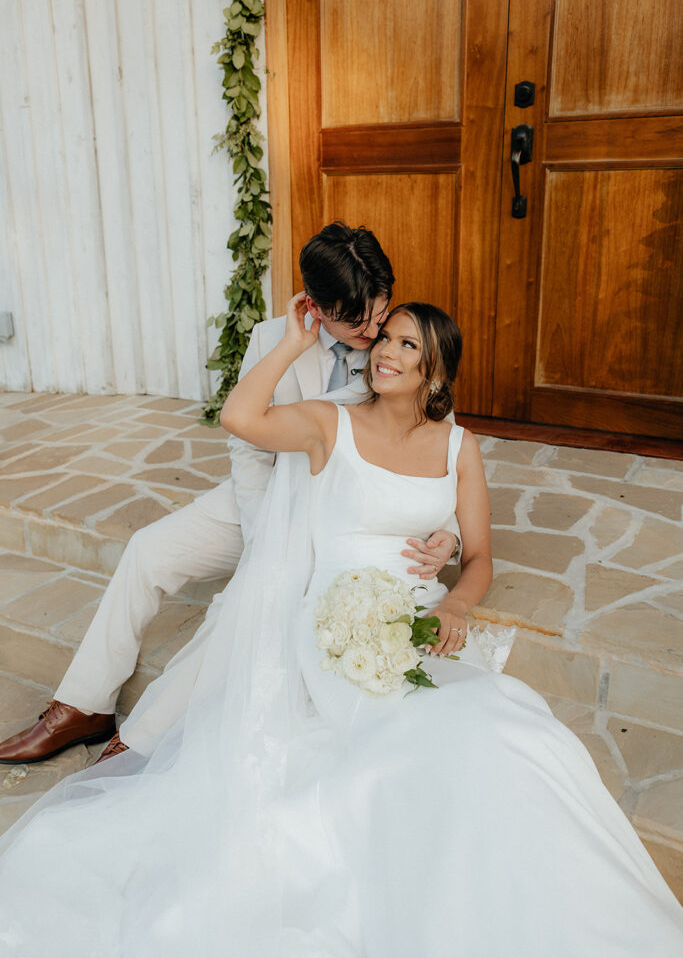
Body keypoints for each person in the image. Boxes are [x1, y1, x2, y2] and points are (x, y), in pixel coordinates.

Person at [0, 295, 681, 957]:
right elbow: (241, 416)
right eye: (386, 339)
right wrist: (294, 343)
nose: (385, 351)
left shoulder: (459, 447)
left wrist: (453, 606)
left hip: (409, 627)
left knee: (514, 734)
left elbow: (478, 559)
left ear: (433, 372)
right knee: (404, 755)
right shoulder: (329, 424)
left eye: (406, 345)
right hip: (330, 630)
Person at [0, 222, 459, 767]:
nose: (371, 328)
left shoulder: (400, 345)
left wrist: (450, 532)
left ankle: (143, 739)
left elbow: (434, 447)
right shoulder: (273, 339)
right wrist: (266, 531)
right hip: (267, 497)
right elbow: (246, 450)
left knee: (244, 599)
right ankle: (81, 707)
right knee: (148, 550)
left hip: (344, 517)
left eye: (379, 312)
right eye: (355, 319)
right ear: (315, 304)